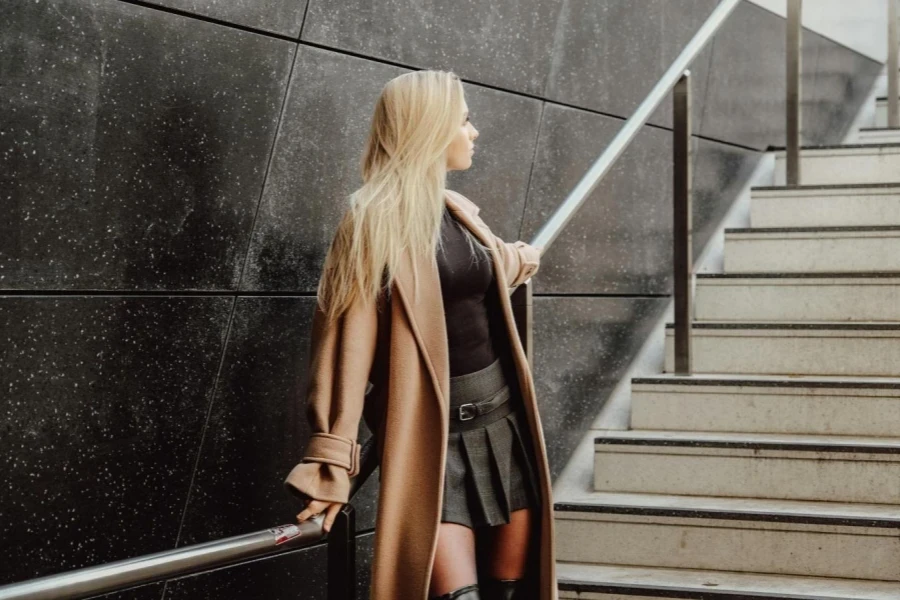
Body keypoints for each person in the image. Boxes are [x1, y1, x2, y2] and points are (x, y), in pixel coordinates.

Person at [285, 69, 557, 600]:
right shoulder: (371, 221)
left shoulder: (457, 211)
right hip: (430, 440)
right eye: (464, 120)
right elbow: (344, 345)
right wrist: (331, 457)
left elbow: (481, 271)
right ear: (430, 128)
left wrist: (523, 258)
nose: (473, 132)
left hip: (503, 422)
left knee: (512, 588)